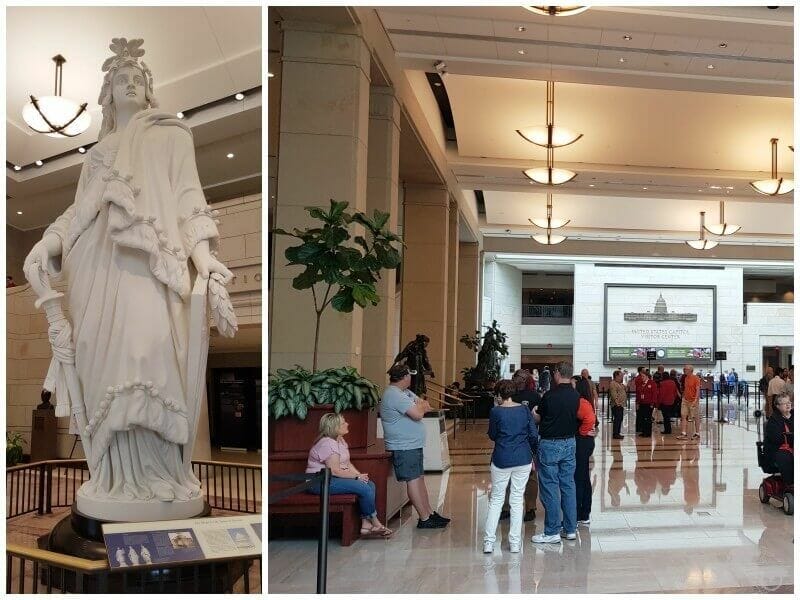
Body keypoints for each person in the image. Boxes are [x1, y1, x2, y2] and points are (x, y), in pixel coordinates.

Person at [24, 38, 234, 509]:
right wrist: (48, 242)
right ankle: (114, 478)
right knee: (105, 366)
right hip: (97, 270)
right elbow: (79, 213)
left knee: (147, 353)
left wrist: (203, 256)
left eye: (138, 79)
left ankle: (159, 476)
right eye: (122, 79)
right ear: (107, 94)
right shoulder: (97, 155)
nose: (131, 85)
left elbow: (187, 196)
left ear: (150, 90)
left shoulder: (170, 135)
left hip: (147, 265)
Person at [380, 364, 450, 529]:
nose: (411, 378)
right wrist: (420, 407)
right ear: (405, 377)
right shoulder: (394, 395)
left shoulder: (404, 393)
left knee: (419, 479)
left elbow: (424, 403)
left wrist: (421, 406)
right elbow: (418, 413)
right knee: (413, 481)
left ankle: (429, 512)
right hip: (403, 446)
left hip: (412, 444)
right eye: (409, 375)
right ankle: (424, 518)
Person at [306, 413, 392, 537]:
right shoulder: (327, 443)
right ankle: (375, 523)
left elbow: (347, 463)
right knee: (364, 488)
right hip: (319, 482)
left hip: (332, 478)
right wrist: (356, 478)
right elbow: (335, 470)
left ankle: (365, 523)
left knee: (369, 484)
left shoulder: (340, 440)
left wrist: (360, 475)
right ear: (334, 428)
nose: (347, 424)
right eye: (343, 423)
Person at [483, 380, 539, 554]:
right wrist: (533, 455)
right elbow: (533, 434)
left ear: (499, 394)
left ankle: (488, 542)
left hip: (501, 458)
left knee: (497, 500)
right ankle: (515, 543)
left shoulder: (496, 412)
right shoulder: (523, 410)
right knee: (516, 500)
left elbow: (492, 435)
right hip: (522, 458)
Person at [531, 361, 578, 544]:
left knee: (550, 486)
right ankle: (570, 528)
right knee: (568, 485)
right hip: (570, 442)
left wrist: (533, 413)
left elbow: (539, 418)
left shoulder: (550, 396)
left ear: (557, 373)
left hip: (550, 444)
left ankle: (551, 531)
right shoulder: (575, 395)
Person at [499, 370, 542, 522]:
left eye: (517, 376)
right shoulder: (509, 395)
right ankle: (506, 508)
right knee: (506, 475)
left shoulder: (534, 396)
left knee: (531, 476)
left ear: (524, 379)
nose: (514, 379)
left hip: (527, 440)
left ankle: (530, 507)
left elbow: (538, 418)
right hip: (507, 440)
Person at [572, 376, 597, 526]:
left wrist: (582, 431)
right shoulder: (583, 401)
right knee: (583, 477)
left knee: (579, 478)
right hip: (584, 441)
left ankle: (579, 512)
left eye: (573, 385)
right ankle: (584, 512)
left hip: (582, 442)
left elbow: (589, 419)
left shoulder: (581, 402)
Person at [764, 394, 793, 486]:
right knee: (785, 457)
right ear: (777, 406)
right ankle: (790, 483)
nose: (788, 405)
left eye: (789, 402)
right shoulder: (773, 420)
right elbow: (776, 438)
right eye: (784, 403)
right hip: (778, 448)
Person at [677, 365, 702, 441]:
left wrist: (695, 400)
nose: (684, 370)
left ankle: (697, 433)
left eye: (686, 369)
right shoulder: (685, 378)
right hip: (685, 400)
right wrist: (683, 397)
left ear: (691, 370)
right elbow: (685, 388)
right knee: (683, 415)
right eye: (684, 369)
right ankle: (683, 433)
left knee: (695, 417)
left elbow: (698, 390)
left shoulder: (696, 378)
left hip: (693, 401)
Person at [656, 370, 680, 434]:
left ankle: (667, 430)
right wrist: (673, 399)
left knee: (665, 417)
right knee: (668, 416)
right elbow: (675, 392)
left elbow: (661, 394)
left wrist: (658, 403)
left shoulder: (662, 383)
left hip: (664, 402)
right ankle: (668, 429)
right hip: (671, 401)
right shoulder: (672, 382)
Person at [637, 370, 657, 437]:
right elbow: (639, 393)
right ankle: (643, 431)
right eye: (641, 376)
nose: (641, 377)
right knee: (642, 418)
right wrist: (638, 403)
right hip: (642, 403)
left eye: (643, 376)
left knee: (647, 418)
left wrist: (652, 403)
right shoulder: (641, 383)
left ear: (647, 376)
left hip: (649, 403)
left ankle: (648, 433)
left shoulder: (652, 383)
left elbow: (654, 394)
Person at [609, 370, 627, 439]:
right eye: (621, 376)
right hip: (617, 405)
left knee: (620, 419)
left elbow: (625, 389)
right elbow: (614, 394)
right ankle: (616, 433)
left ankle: (617, 432)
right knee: (617, 419)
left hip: (620, 405)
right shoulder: (613, 383)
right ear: (617, 376)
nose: (622, 377)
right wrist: (617, 403)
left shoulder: (619, 383)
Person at [632, 366, 646, 433]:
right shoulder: (639, 378)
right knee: (640, 413)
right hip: (640, 398)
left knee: (641, 413)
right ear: (640, 371)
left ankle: (640, 427)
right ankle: (639, 428)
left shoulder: (640, 378)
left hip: (640, 398)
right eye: (644, 370)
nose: (645, 371)